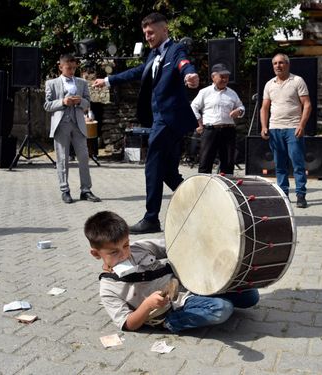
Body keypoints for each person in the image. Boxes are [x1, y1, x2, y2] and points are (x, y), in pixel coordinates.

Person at [93, 13, 199, 234]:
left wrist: (191, 75)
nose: (148, 37)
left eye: (151, 32)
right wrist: (108, 80)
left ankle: (151, 218)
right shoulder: (153, 54)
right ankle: (198, 203)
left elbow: (184, 63)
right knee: (168, 170)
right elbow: (138, 72)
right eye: (145, 33)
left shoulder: (175, 49)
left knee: (152, 165)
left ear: (164, 30)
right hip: (158, 119)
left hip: (169, 119)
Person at [84, 210, 260, 332]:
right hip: (174, 307)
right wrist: (146, 306)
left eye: (126, 245)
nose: (124, 254)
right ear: (95, 254)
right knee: (222, 309)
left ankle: (206, 298)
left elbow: (173, 246)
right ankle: (171, 324)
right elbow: (128, 324)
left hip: (191, 286)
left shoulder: (139, 248)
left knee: (250, 295)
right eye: (114, 252)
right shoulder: (108, 288)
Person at [44, 54, 101, 204]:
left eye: (74, 68)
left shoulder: (82, 82)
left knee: (83, 156)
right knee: (62, 158)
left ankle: (86, 190)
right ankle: (65, 190)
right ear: (61, 67)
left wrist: (80, 101)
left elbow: (88, 102)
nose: (72, 71)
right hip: (61, 123)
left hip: (78, 123)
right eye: (69, 68)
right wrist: (63, 101)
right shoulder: (51, 83)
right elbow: (47, 105)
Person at [260, 53, 311, 209]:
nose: (278, 66)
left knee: (297, 163)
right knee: (280, 164)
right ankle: (283, 195)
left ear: (287, 64)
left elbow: (307, 104)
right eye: (275, 63)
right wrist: (263, 126)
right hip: (275, 128)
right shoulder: (269, 84)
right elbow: (264, 107)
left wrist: (301, 125)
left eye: (281, 63)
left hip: (293, 127)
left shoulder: (297, 81)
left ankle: (301, 195)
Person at [190, 63, 245, 175]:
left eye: (227, 77)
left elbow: (241, 107)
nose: (225, 79)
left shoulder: (232, 93)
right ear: (213, 77)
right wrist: (199, 124)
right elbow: (193, 107)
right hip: (210, 130)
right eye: (222, 76)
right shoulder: (205, 92)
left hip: (228, 130)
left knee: (228, 163)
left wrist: (238, 111)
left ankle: (226, 189)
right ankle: (204, 189)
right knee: (205, 161)